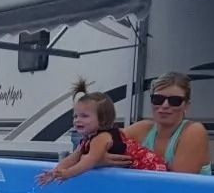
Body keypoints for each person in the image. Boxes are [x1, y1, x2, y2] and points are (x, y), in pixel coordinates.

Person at [36, 78, 166, 185]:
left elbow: (89, 161)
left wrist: (67, 174)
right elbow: (72, 159)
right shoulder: (87, 140)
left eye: (84, 116)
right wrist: (54, 171)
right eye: (75, 116)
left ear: (103, 119)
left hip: (152, 169)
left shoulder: (102, 137)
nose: (77, 120)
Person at [121, 72, 214, 174]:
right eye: (158, 99)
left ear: (186, 105)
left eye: (174, 101)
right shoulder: (142, 128)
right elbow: (108, 136)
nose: (165, 105)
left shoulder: (194, 132)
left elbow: (176, 184)